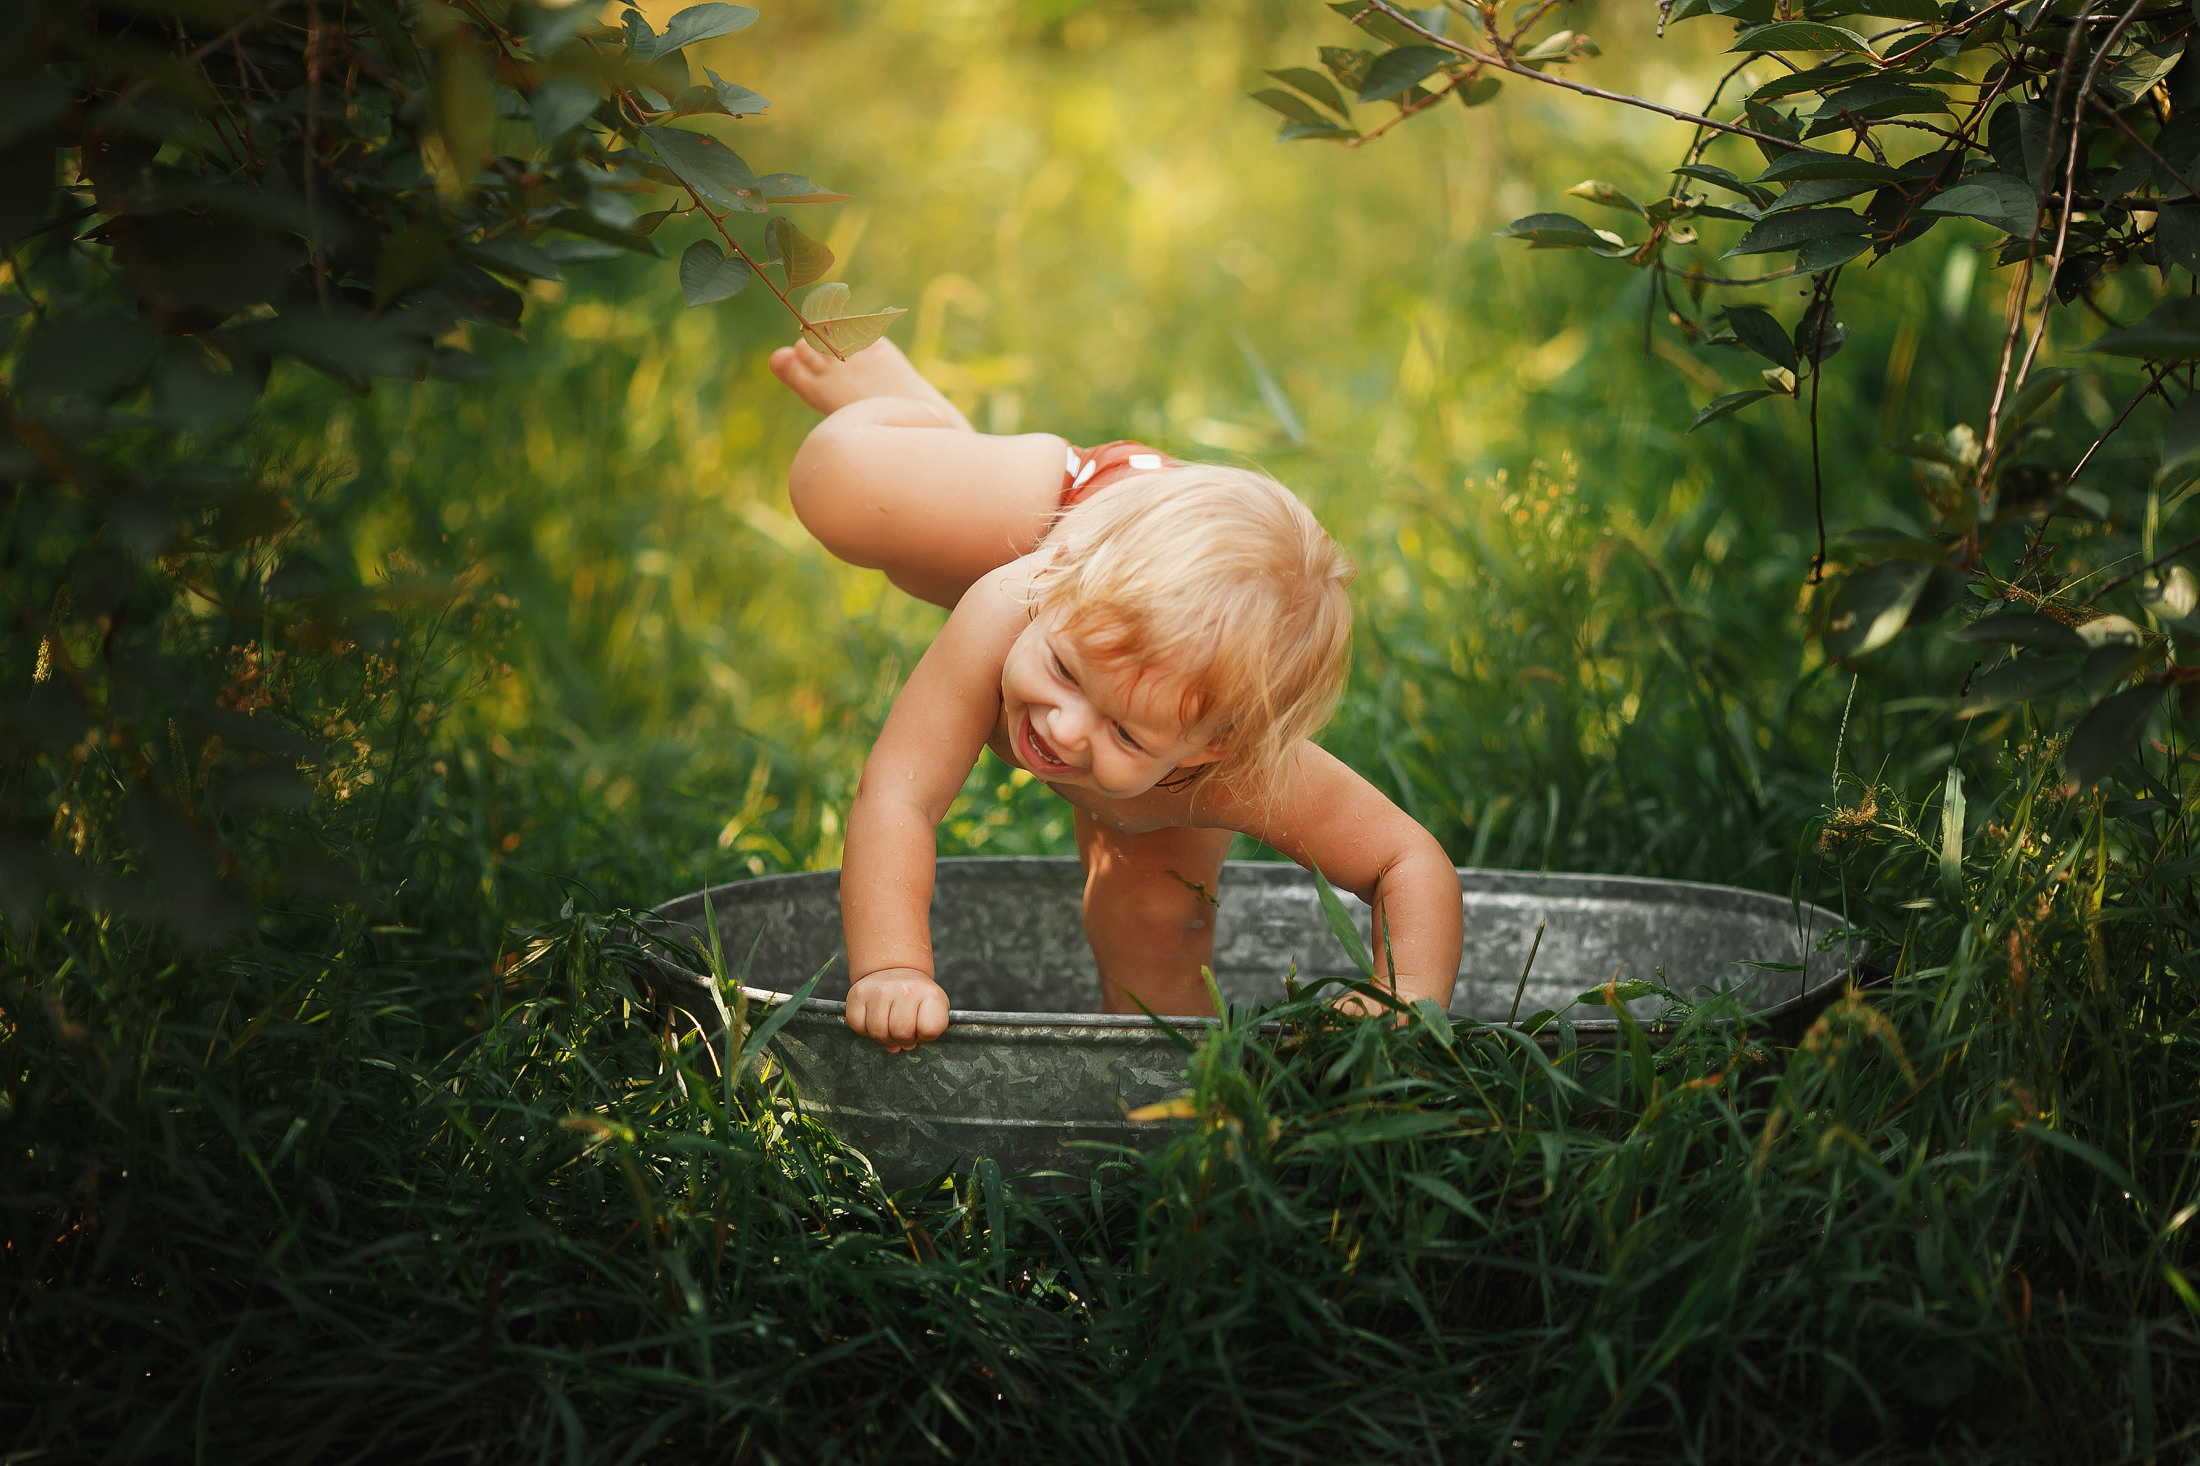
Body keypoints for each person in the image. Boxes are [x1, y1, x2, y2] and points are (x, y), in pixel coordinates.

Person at [768, 334, 1462, 1053]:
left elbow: (1406, 861)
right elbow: (899, 796)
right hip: (1073, 504)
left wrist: (1402, 1000)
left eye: (1127, 732)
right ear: (1053, 583)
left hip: (1155, 654)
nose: (1066, 727)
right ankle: (929, 423)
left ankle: (1158, 1100)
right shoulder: (1016, 602)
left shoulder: (1240, 768)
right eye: (1065, 672)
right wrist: (893, 967)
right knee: (839, 484)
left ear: (1209, 748)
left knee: (1160, 938)